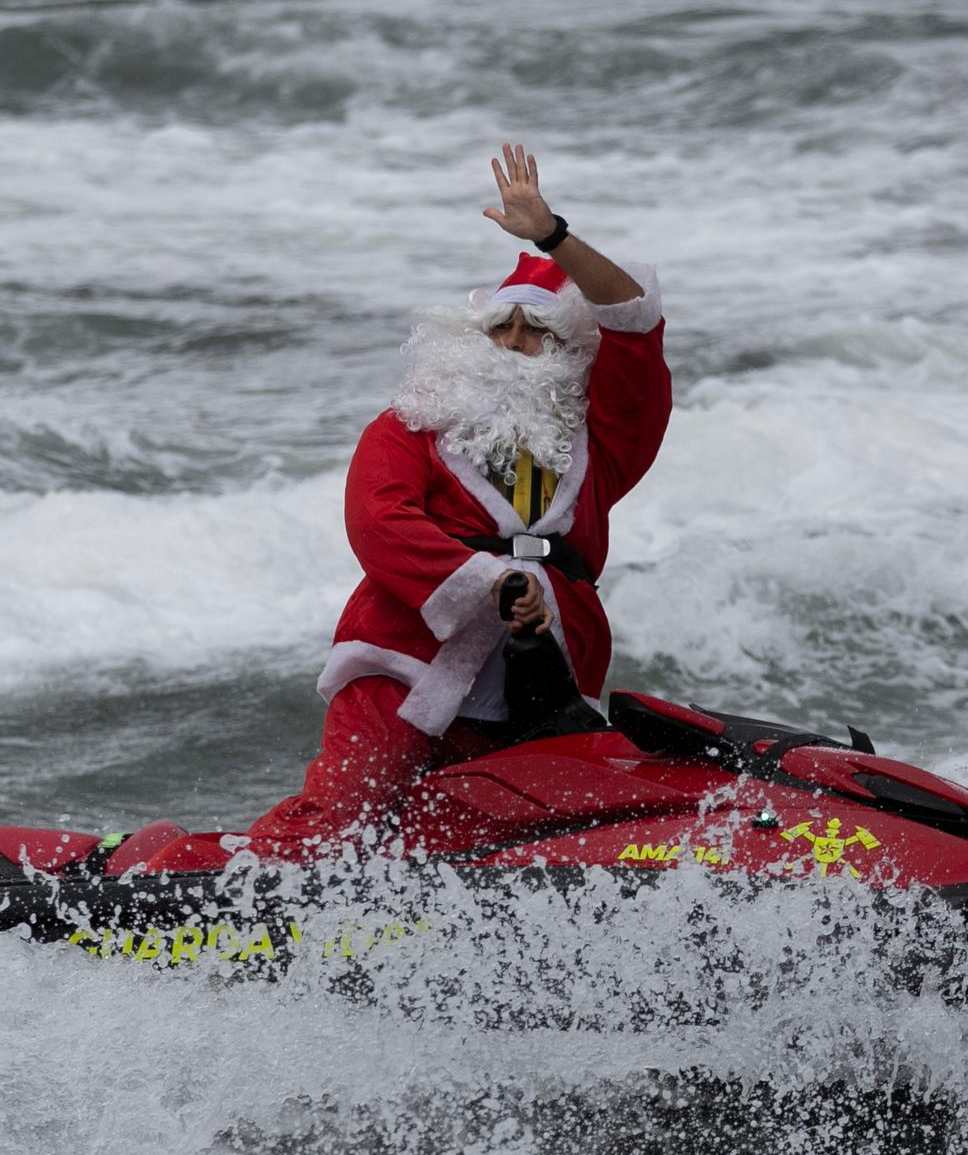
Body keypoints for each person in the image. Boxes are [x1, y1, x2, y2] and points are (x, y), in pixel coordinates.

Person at [242, 143, 673, 861]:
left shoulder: (604, 437)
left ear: (568, 348)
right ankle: (209, 888)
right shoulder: (412, 424)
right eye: (500, 326)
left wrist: (553, 239)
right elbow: (378, 521)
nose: (513, 342)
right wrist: (489, 583)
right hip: (412, 647)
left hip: (549, 666)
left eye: (536, 329)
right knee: (342, 821)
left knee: (500, 838)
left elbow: (633, 317)